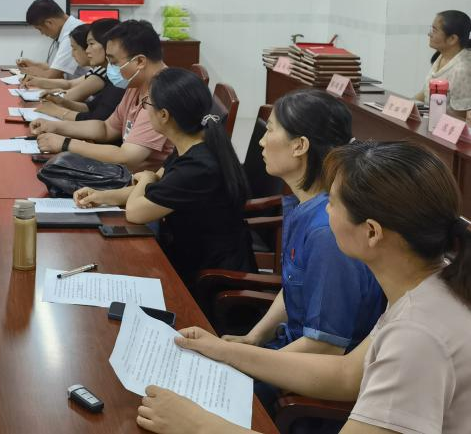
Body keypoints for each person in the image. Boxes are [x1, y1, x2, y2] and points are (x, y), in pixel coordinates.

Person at [135, 140, 471, 434]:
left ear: (372, 232)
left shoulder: (418, 336)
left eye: (333, 202)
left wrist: (198, 425)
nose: (325, 209)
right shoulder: (428, 283)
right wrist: (226, 351)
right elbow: (347, 374)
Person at [225, 90, 384, 360]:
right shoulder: (309, 206)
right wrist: (254, 338)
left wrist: (247, 361)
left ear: (299, 146)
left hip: (309, 371)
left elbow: (324, 346)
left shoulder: (328, 231)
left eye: (270, 130)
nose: (261, 141)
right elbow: (294, 287)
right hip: (288, 352)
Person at [74, 68, 255, 287]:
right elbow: (155, 190)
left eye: (147, 104)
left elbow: (136, 211)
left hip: (209, 276)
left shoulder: (198, 167)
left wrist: (147, 178)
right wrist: (101, 196)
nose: (145, 109)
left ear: (164, 115)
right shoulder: (190, 142)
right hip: (185, 253)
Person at [32, 19, 173, 171]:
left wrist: (65, 143)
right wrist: (54, 126)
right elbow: (106, 128)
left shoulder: (161, 94)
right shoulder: (136, 83)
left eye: (114, 62)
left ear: (139, 61)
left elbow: (126, 157)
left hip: (150, 181)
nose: (110, 67)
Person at [35, 18, 124, 122]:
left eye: (91, 44)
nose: (87, 50)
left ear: (109, 45)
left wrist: (57, 111)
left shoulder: (117, 78)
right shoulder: (110, 74)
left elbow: (97, 120)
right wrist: (62, 102)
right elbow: (90, 107)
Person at [414, 9, 471, 120]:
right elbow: (425, 93)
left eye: (434, 30)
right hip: (430, 121)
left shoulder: (463, 69)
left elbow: (460, 117)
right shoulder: (442, 55)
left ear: (452, 39)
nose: (429, 34)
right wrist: (405, 106)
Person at [20, 23, 104, 94]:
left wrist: (56, 94)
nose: (72, 54)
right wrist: (37, 81)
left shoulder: (101, 74)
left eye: (74, 49)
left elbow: (72, 95)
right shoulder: (95, 70)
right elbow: (69, 84)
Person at [17, 0, 83, 79]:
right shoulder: (72, 27)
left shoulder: (71, 34)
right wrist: (33, 64)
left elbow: (52, 76)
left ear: (49, 23)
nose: (42, 34)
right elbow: (55, 69)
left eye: (40, 29)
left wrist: (28, 71)